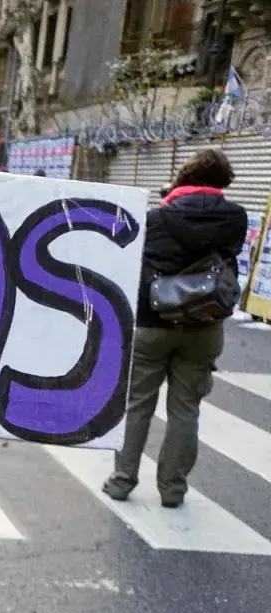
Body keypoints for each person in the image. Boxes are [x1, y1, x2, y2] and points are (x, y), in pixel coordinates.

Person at [104, 148, 248, 509]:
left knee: (137, 405)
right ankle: (173, 490)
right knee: (186, 410)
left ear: (183, 178)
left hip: (153, 322)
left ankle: (122, 481)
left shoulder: (156, 219)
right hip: (204, 324)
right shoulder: (236, 219)